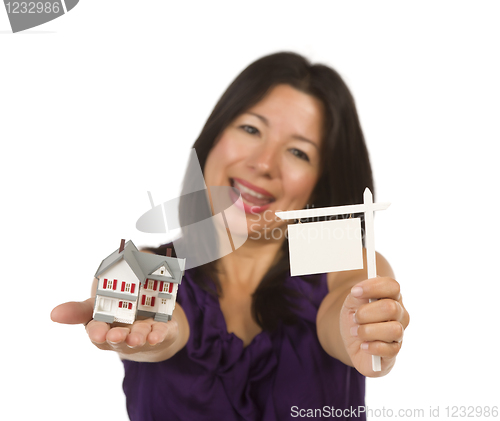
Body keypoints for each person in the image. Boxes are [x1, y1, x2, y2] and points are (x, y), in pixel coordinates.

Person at [51, 52, 410, 420]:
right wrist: (147, 331)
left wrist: (363, 329)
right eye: (251, 129)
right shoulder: (155, 269)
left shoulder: (342, 259)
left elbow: (344, 312)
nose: (264, 163)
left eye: (299, 152)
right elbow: (164, 329)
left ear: (321, 183)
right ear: (214, 138)